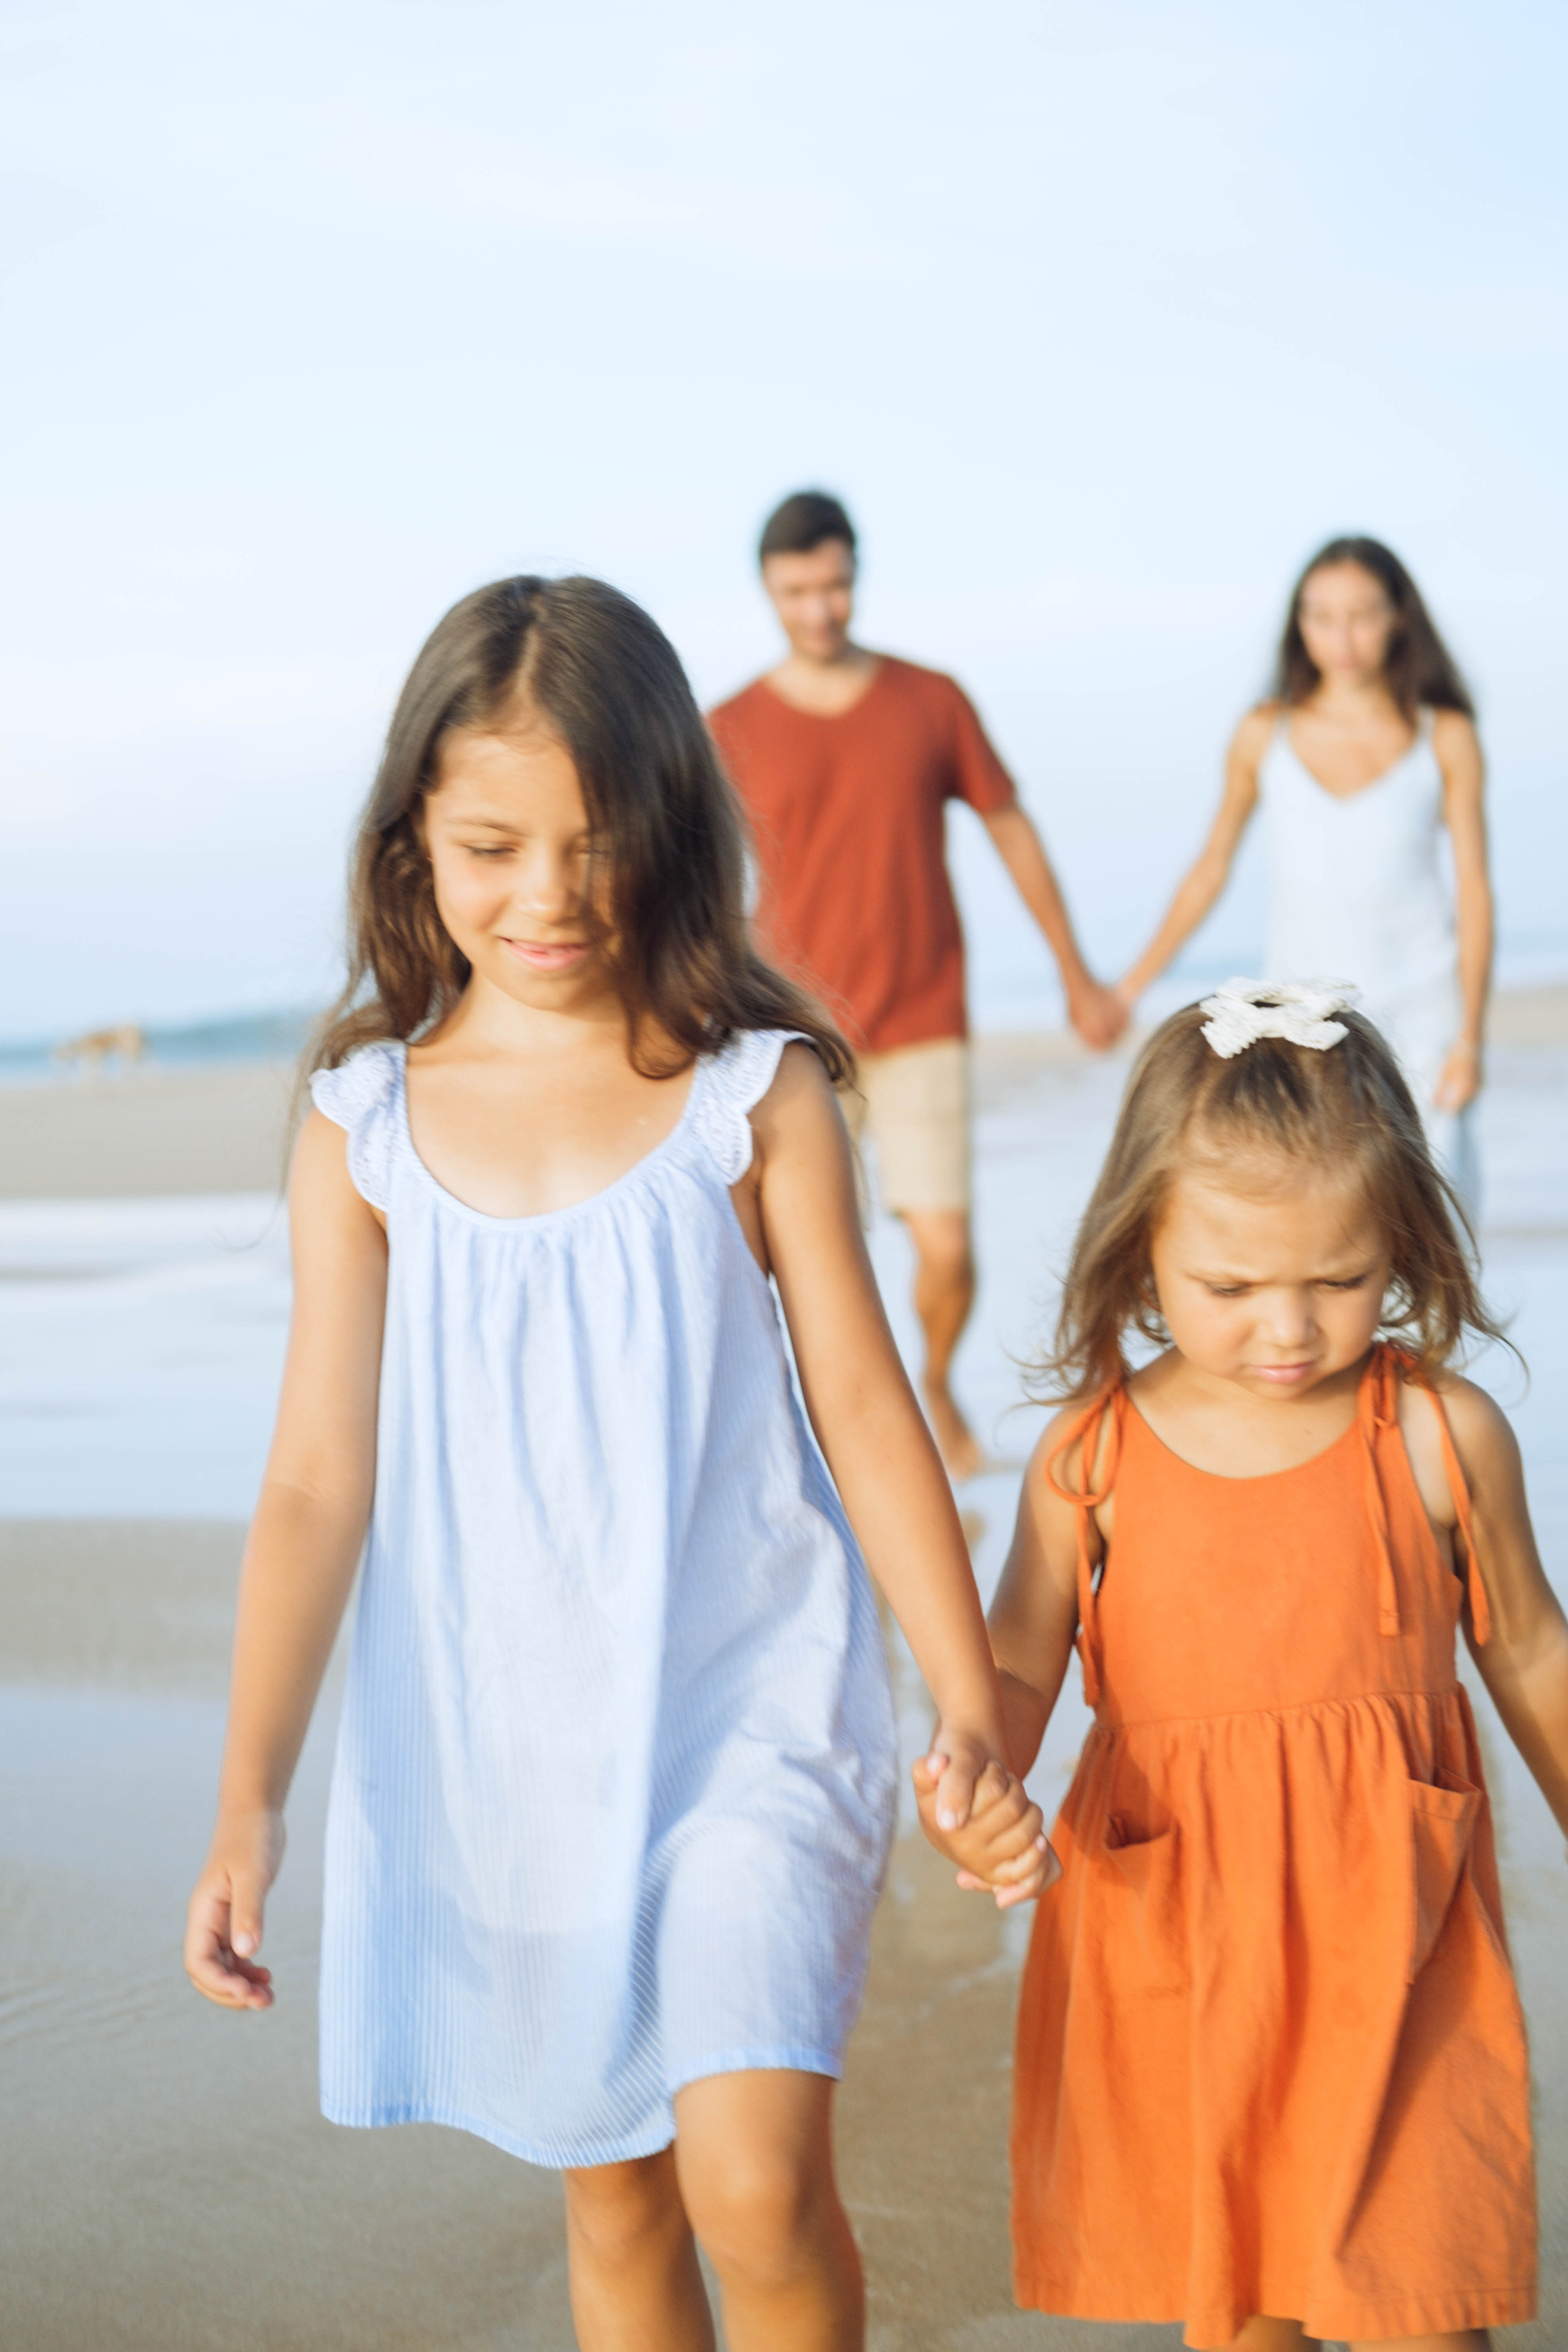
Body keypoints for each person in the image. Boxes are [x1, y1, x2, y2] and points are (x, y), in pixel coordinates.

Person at [183, 575, 1041, 2352]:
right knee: (618, 2192)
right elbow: (315, 1484)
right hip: (508, 1743)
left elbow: (871, 1415)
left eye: (598, 844)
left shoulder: (753, 1097)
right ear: (414, 835)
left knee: (750, 2181)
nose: (550, 897)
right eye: (494, 846)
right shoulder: (365, 1134)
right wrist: (248, 1802)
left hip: (755, 1709)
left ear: (677, 832)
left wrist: (967, 1706)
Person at [916, 979, 1568, 2350]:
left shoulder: (1437, 1436)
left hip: (1400, 1939)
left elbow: (1528, 1652)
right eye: (1228, 1287)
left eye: (1339, 1281)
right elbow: (1017, 1662)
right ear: (1137, 1247)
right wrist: (974, 1774)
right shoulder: (1087, 1459)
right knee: (1245, 2304)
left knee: (1425, 2299)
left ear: (1397, 1244)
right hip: (1185, 1937)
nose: (1286, 1330)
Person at [709, 491, 1126, 1484]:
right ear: (769, 591)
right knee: (778, 1263)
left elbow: (1011, 829)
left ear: (858, 576)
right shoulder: (725, 726)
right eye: (797, 592)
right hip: (790, 1038)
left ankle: (933, 1378)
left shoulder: (929, 700)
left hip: (923, 1015)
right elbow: (700, 884)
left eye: (835, 585)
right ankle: (809, 1440)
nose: (820, 610)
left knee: (946, 1251)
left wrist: (1075, 971)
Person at [1115, 537, 1492, 1216]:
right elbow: (1211, 867)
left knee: (1439, 1225)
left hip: (1425, 1014)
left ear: (1398, 617)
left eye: (1361, 614)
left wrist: (1469, 1037)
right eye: (1319, 616)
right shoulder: (1265, 733)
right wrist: (1131, 986)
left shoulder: (1445, 735)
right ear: (1299, 625)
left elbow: (1473, 888)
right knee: (1321, 1218)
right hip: (1304, 1018)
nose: (1340, 637)